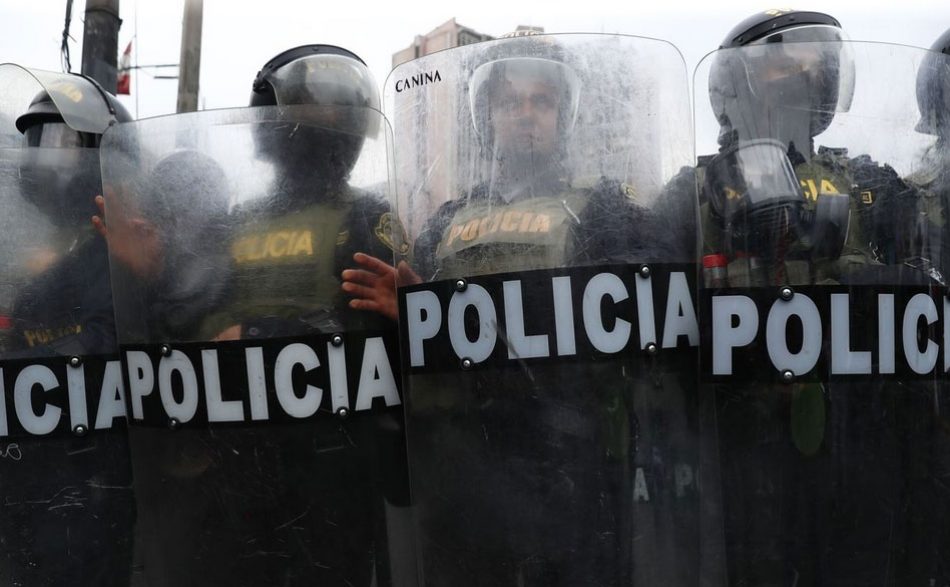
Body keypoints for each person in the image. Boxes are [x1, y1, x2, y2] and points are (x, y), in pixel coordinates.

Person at [347, 32, 698, 586]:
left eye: (543, 101)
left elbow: (649, 306)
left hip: (570, 458)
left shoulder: (605, 208)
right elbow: (420, 347)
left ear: (566, 114)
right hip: (466, 463)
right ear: (487, 116)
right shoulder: (445, 222)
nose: (526, 115)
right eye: (510, 101)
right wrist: (417, 311)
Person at [697, 11, 937, 586]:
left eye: (816, 60)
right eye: (784, 60)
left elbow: (928, 262)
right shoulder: (699, 188)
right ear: (738, 82)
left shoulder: (872, 183)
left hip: (860, 422)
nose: (806, 71)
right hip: (744, 424)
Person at [0, 68, 134, 587]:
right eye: (39, 141)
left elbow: (106, 340)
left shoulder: (120, 250)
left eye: (64, 143)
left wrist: (17, 366)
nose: (47, 158)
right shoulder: (45, 261)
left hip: (94, 473)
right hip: (30, 464)